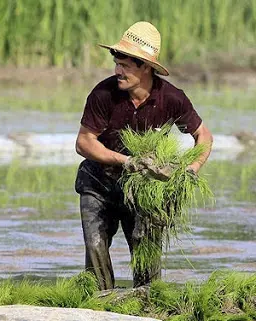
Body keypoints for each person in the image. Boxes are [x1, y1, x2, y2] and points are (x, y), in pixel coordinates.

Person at [74, 21, 213, 290]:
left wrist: (192, 169)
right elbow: (83, 142)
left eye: (125, 65)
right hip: (98, 184)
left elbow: (204, 135)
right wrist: (125, 161)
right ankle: (99, 305)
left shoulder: (171, 98)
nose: (117, 70)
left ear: (146, 66)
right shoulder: (103, 94)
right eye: (116, 63)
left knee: (145, 248)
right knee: (95, 245)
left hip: (142, 188)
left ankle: (147, 302)